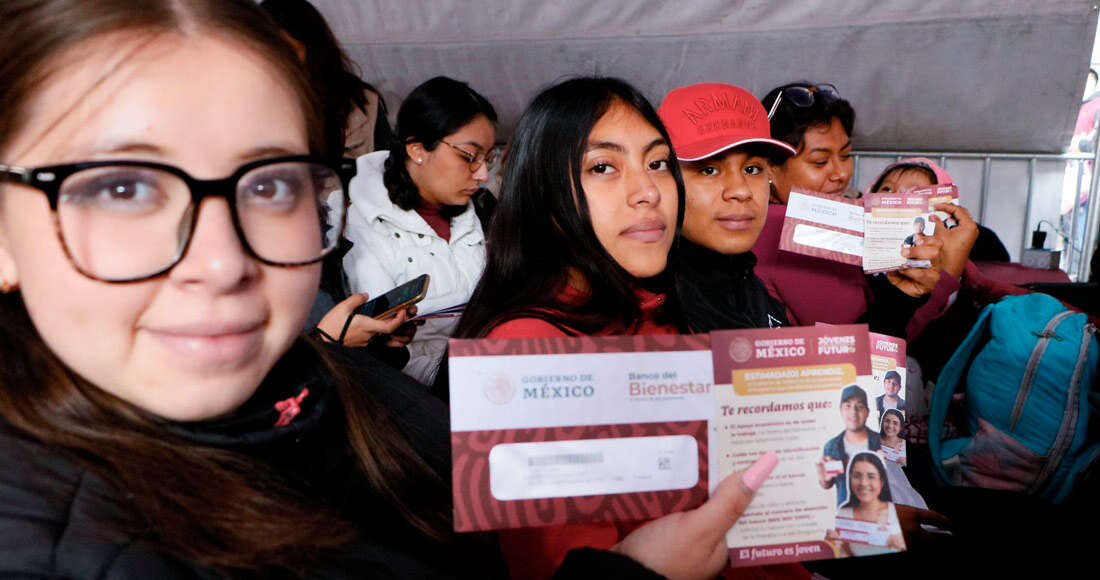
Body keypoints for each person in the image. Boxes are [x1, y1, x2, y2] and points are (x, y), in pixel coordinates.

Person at [0, 2, 768, 578]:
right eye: (124, 188)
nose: (222, 261)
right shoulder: (48, 535)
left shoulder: (345, 410)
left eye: (270, 185)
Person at [447, 77, 791, 580]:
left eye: (657, 164)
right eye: (603, 167)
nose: (648, 191)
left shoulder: (675, 315)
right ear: (544, 197)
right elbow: (556, 564)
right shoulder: (526, 350)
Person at [751, 82, 959, 339]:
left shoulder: (761, 221)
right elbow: (866, 348)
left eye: (846, 155)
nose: (841, 174)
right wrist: (949, 269)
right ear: (769, 166)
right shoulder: (787, 227)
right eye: (820, 162)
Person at [343, 76, 497, 384]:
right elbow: (387, 355)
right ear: (417, 149)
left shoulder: (484, 209)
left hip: (490, 362)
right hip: (419, 387)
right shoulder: (360, 223)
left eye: (487, 160)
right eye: (468, 157)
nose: (481, 174)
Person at [869, 158, 1009, 262]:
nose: (899, 198)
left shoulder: (980, 241)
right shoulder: (863, 243)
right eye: (887, 189)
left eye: (915, 192)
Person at [828, 452, 906, 556]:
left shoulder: (897, 512)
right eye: (856, 476)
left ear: (881, 481)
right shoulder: (844, 512)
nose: (863, 483)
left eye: (871, 476)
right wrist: (833, 547)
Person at [818, 386, 881, 506]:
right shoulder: (832, 447)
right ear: (841, 410)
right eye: (848, 406)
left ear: (867, 412)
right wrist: (824, 480)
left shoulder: (880, 442)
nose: (854, 412)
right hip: (847, 515)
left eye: (860, 406)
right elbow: (828, 483)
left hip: (878, 515)